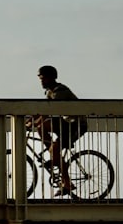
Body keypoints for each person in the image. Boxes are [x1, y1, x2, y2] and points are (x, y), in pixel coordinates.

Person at [30, 65, 88, 196]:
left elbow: (49, 111)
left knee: (54, 149)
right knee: (42, 127)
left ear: (52, 78)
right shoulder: (50, 92)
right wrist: (30, 120)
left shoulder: (60, 91)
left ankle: (67, 183)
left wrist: (36, 121)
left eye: (44, 79)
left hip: (76, 125)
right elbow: (42, 110)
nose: (42, 82)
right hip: (65, 123)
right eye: (40, 79)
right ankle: (55, 155)